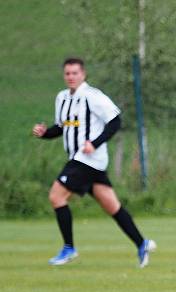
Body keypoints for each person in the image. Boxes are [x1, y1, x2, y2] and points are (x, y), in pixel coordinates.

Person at [32, 57, 155, 267]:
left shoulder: (92, 96)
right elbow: (62, 128)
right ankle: (141, 243)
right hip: (82, 161)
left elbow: (115, 121)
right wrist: (44, 133)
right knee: (112, 206)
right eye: (67, 73)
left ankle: (69, 248)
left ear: (83, 74)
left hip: (88, 160)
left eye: (75, 73)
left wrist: (95, 143)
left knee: (56, 196)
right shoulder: (62, 98)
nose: (71, 77)